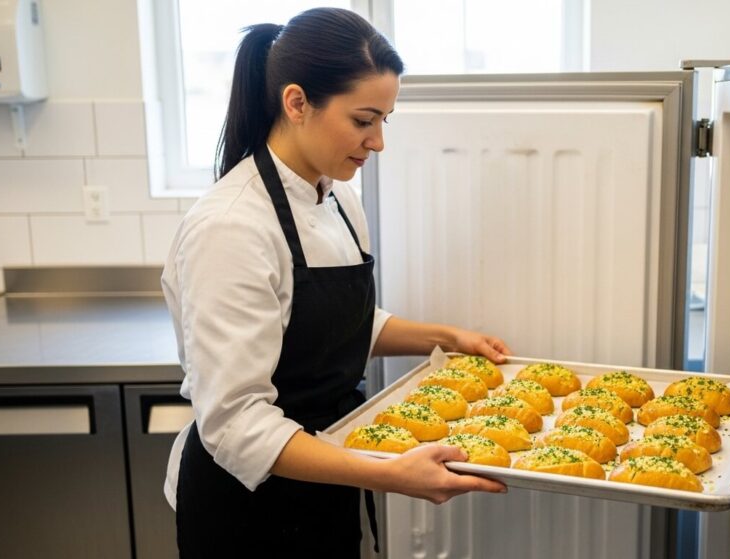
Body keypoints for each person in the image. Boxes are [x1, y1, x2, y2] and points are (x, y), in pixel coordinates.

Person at [160, 8, 509, 558]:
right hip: (247, 509)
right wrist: (391, 473)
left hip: (328, 479)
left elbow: (329, 327)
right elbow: (235, 424)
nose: (377, 143)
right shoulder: (230, 227)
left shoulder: (338, 196)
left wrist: (447, 338)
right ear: (297, 103)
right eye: (363, 120)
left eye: (384, 121)